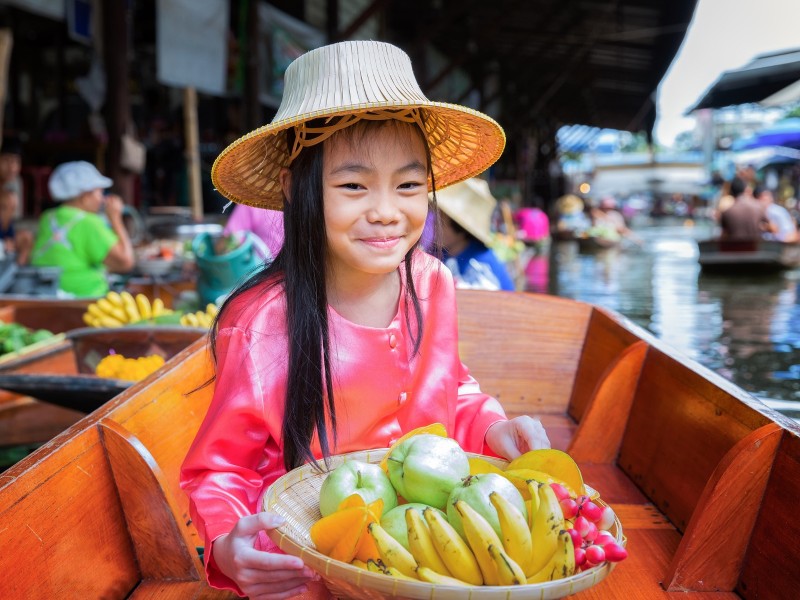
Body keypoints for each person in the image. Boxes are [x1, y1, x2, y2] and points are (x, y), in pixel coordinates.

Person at [180, 40, 550, 599]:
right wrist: (232, 546)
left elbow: (454, 387)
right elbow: (220, 470)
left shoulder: (431, 282)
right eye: (353, 185)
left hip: (426, 546)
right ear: (295, 189)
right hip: (305, 561)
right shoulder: (259, 320)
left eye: (407, 185)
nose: (385, 210)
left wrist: (493, 427)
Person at [30, 161, 135, 296]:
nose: (102, 199)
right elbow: (125, 263)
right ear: (85, 196)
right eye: (99, 193)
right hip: (85, 300)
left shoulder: (47, 217)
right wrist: (116, 219)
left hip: (48, 296)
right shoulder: (89, 222)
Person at [435, 177, 516, 291]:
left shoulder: (483, 263)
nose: (434, 226)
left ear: (460, 228)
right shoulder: (437, 254)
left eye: (441, 222)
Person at [719, 176, 765, 241]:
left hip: (735, 248)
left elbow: (724, 235)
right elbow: (773, 228)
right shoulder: (758, 207)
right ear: (745, 190)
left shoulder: (727, 212)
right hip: (754, 247)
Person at [0, 189, 32, 264]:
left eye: (14, 207)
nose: (13, 211)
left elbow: (10, 240)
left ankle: (19, 269)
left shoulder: (8, 222)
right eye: (11, 207)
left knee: (26, 237)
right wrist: (4, 245)